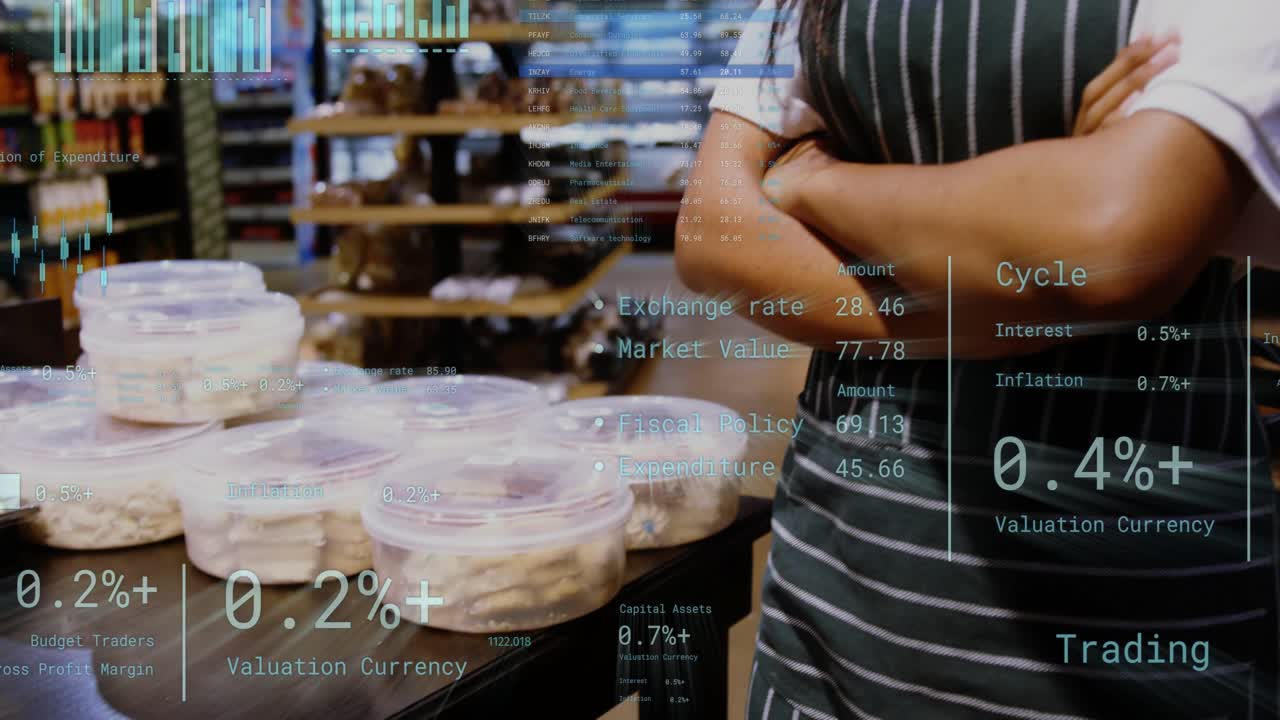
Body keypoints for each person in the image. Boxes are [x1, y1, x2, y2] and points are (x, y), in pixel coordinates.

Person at [677, 0, 1280, 717]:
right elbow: (712, 233)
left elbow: (1108, 243)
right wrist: (1029, 237)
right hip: (828, 604)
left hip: (1131, 620)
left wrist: (815, 184)